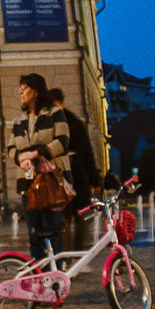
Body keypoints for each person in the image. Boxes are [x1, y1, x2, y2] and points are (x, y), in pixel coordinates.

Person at [9, 73, 72, 263]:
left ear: (36, 91)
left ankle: (56, 276)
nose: (21, 91)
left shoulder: (54, 113)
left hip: (52, 182)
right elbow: (11, 148)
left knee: (54, 233)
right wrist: (20, 158)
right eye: (20, 88)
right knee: (34, 235)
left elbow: (63, 141)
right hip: (28, 183)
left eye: (25, 88)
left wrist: (35, 154)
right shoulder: (19, 121)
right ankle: (39, 278)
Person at [46, 86, 97, 245]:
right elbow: (87, 153)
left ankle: (73, 257)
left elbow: (87, 153)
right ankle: (70, 257)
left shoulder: (65, 123)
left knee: (75, 218)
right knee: (66, 219)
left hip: (70, 178)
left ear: (61, 103)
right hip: (64, 178)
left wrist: (95, 180)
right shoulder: (68, 122)